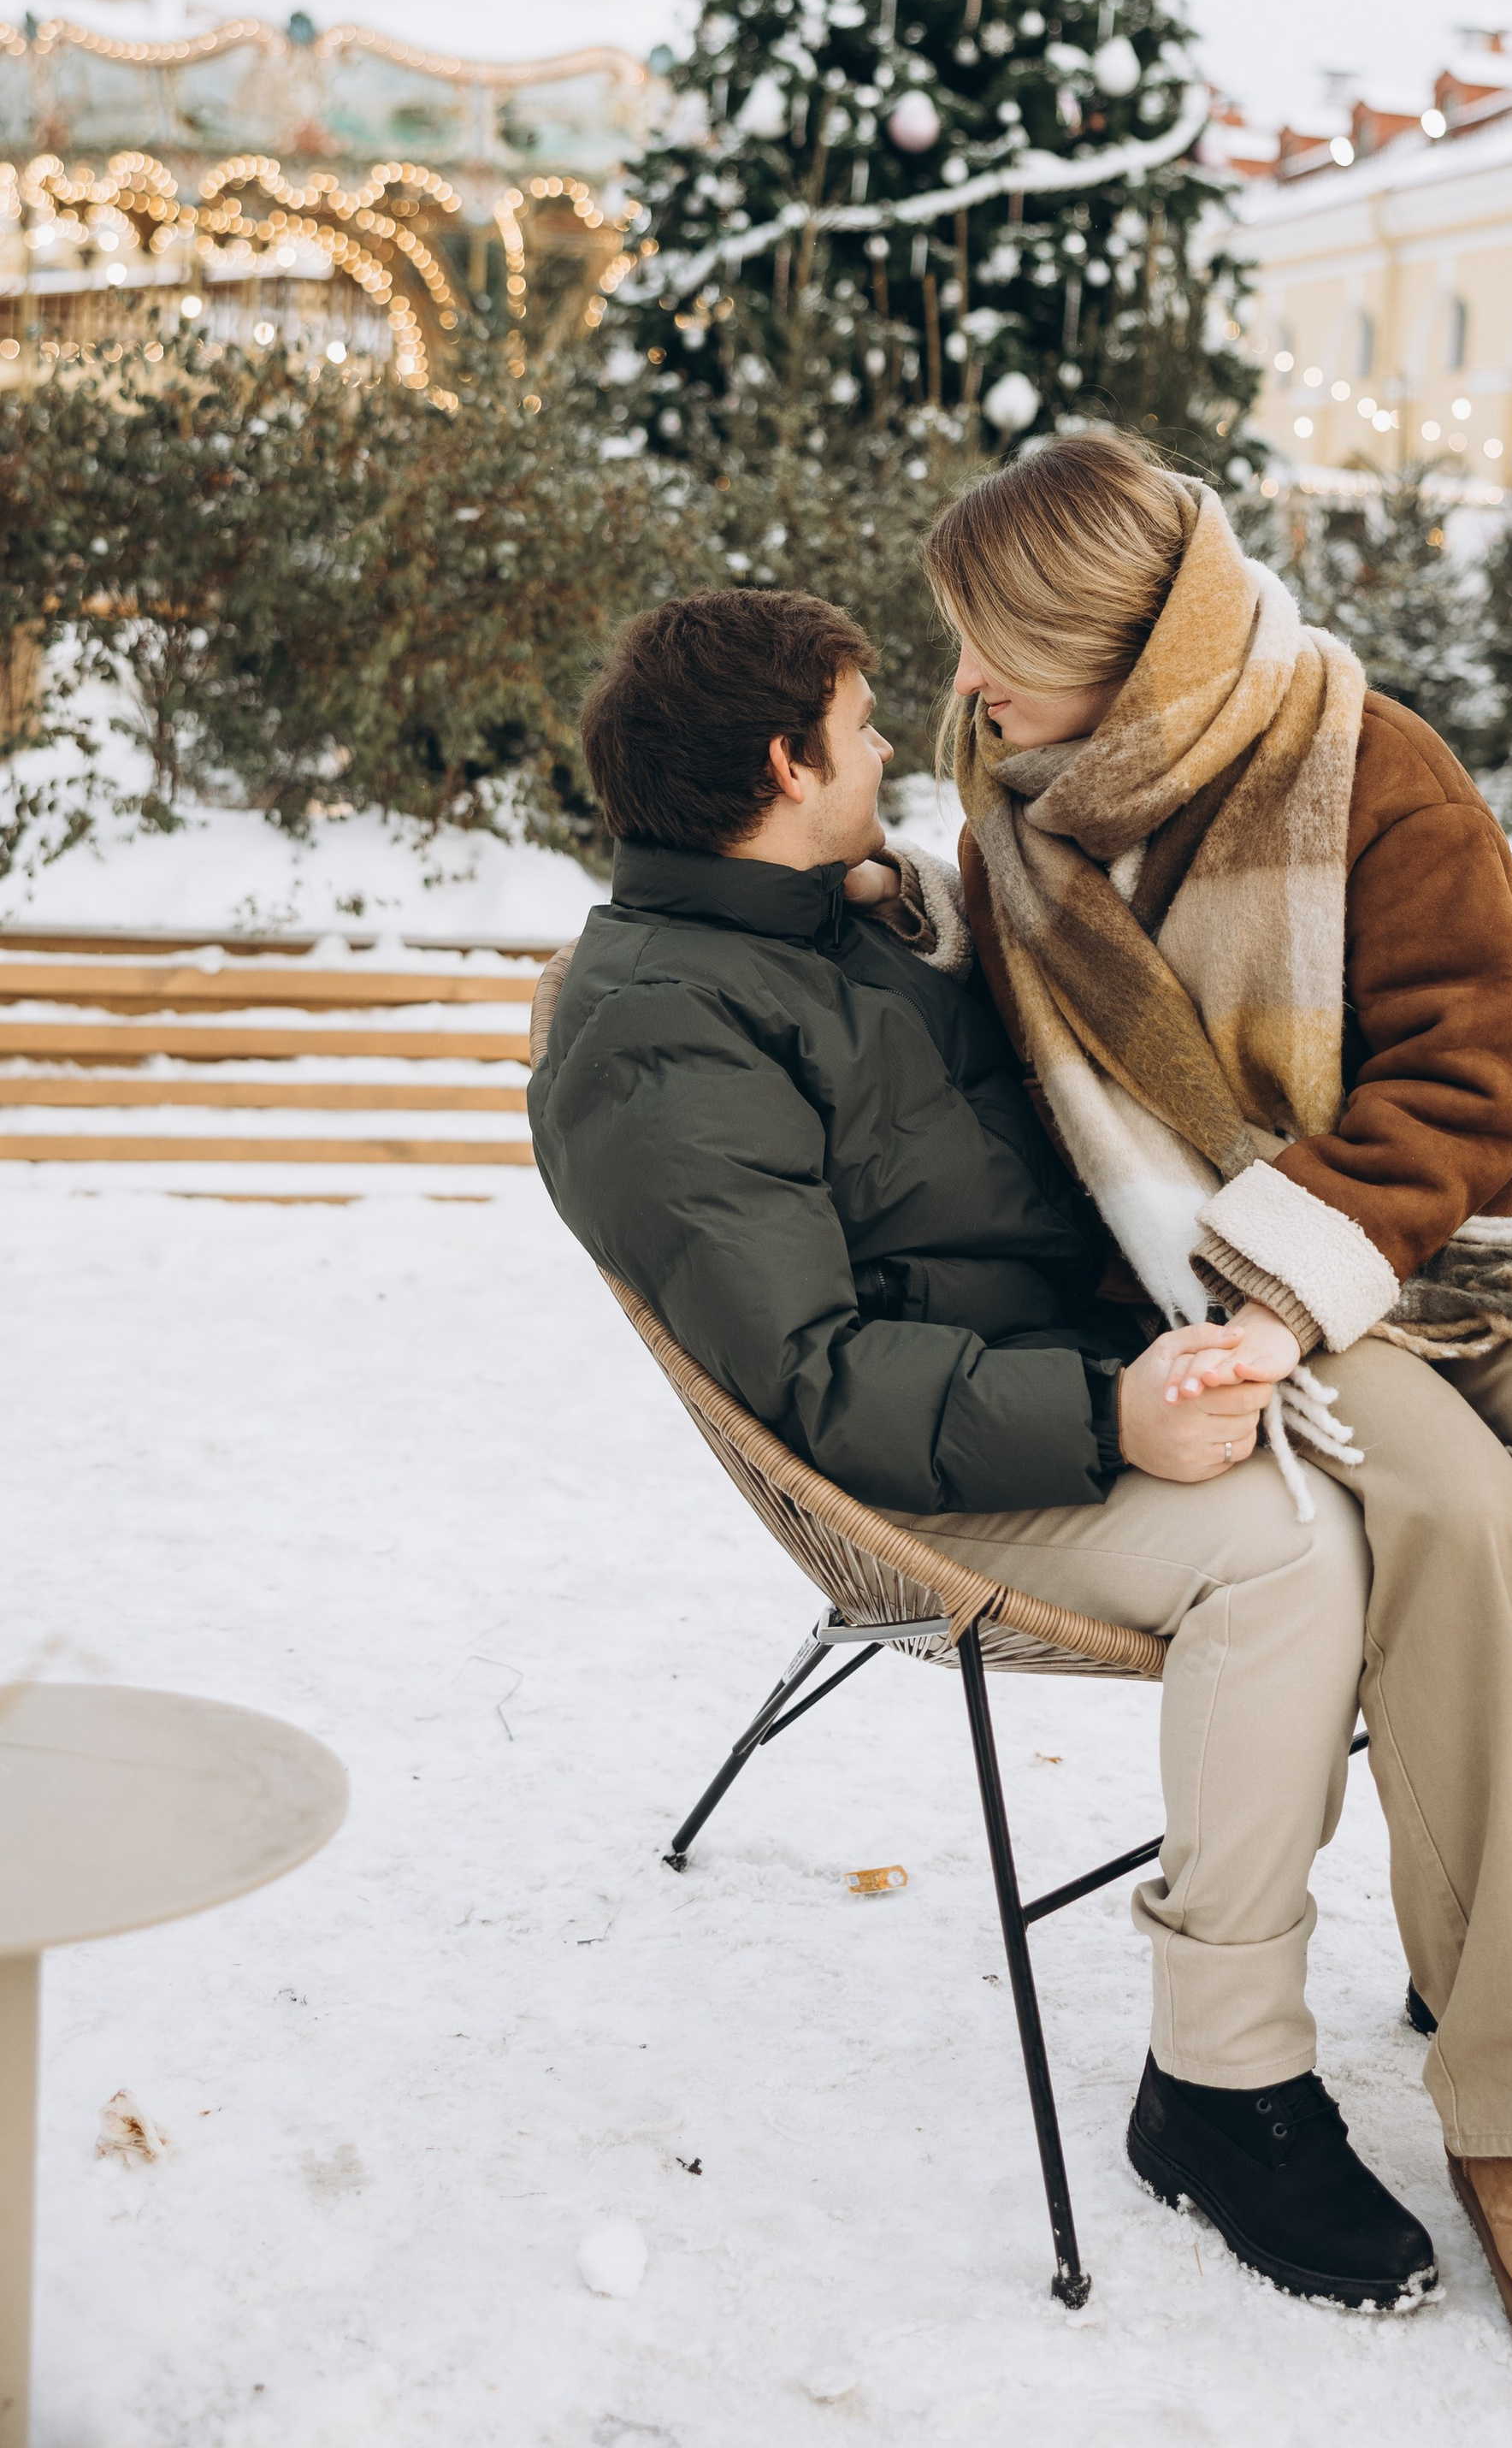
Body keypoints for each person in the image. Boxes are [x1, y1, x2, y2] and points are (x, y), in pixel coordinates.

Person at [905, 429, 1512, 2404]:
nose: (964, 690)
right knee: (1451, 1524)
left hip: (1465, 1244)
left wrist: (1284, 1273)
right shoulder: (1008, 826)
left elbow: (1471, 1072)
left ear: (1127, 649)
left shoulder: (1359, 759)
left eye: (995, 652)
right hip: (1253, 1309)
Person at [528, 588, 1438, 2319]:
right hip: (922, 1470)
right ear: (791, 763)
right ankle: (1219, 2084)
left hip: (1067, 1358)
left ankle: (1469, 1945)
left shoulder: (830, 918)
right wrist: (1103, 1415)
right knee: (1294, 1552)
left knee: (1438, 1481)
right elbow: (809, 1378)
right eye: (864, 726)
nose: (895, 748)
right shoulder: (662, 1028)